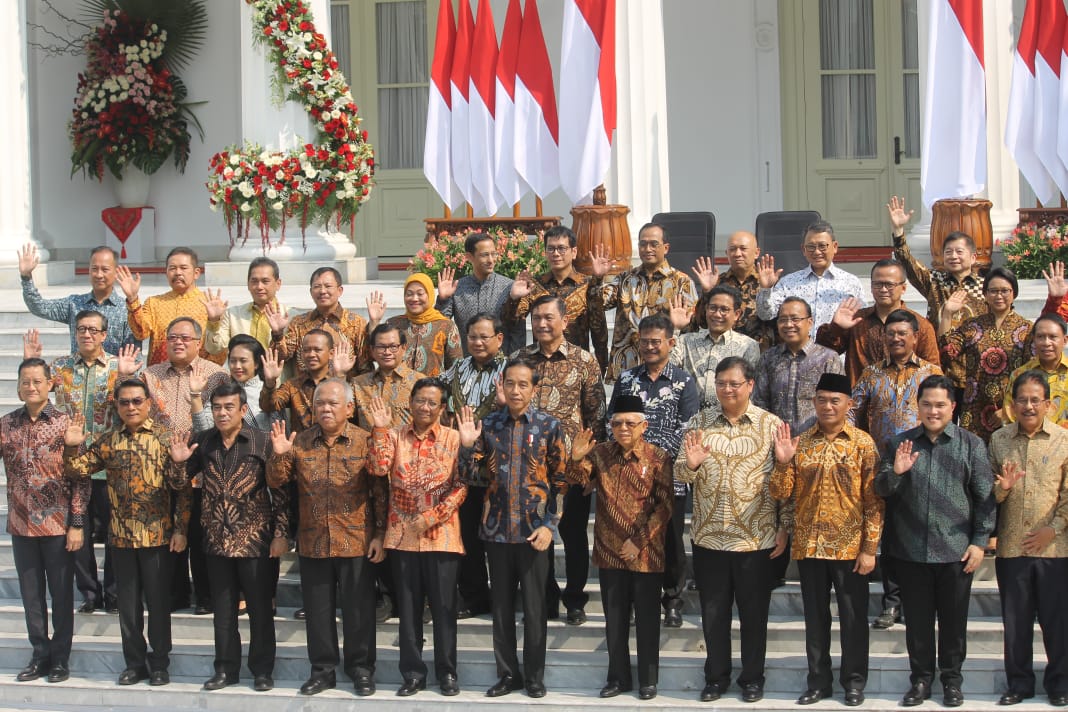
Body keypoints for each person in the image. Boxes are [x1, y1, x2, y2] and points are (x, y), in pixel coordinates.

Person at [875, 375, 996, 708]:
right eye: (927, 404)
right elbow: (880, 490)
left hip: (956, 553)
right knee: (917, 625)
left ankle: (952, 682)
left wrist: (979, 541)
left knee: (954, 624)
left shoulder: (971, 445)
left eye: (940, 404)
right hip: (910, 552)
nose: (933, 410)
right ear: (918, 406)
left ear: (952, 407)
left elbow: (985, 498)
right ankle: (920, 681)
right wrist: (896, 472)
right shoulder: (899, 444)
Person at [63, 378, 191, 687]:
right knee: (128, 607)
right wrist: (70, 446)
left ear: (148, 403)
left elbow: (182, 488)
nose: (131, 407)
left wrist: (181, 528)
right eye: (124, 402)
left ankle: (159, 662)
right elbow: (77, 469)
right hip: (120, 537)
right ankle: (134, 663)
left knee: (159, 604)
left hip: (157, 536)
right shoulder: (109, 440)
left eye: (136, 401)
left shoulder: (165, 438)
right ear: (117, 406)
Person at [675, 357, 786, 704]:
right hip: (709, 537)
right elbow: (680, 474)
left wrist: (785, 527)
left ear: (750, 385)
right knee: (713, 614)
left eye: (734, 383)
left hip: (756, 538)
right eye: (721, 383)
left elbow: (787, 484)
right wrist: (689, 465)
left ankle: (752, 678)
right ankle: (716, 677)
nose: (727, 389)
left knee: (754, 616)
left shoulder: (771, 426)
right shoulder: (699, 422)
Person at [267, 378, 387, 697]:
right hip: (313, 541)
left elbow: (379, 492)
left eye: (333, 403)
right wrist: (279, 455)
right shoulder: (301, 441)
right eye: (320, 403)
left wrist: (380, 534)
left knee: (358, 610)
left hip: (357, 540)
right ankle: (322, 670)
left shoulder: (364, 440)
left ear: (349, 408)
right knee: (318, 612)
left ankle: (361, 669)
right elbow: (277, 481)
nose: (325, 409)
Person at [770, 372, 883, 708]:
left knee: (852, 618)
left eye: (836, 400)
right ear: (814, 402)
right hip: (810, 546)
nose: (828, 406)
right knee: (815, 619)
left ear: (849, 404)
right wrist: (782, 462)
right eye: (822, 399)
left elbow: (874, 502)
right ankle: (818, 681)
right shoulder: (802, 442)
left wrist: (870, 548)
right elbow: (781, 494)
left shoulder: (862, 443)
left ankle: (854, 682)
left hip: (849, 548)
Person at [167, 381, 289, 693]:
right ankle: (225, 669)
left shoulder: (262, 442)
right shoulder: (204, 441)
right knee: (223, 613)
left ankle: (262, 670)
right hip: (216, 541)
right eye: (217, 408)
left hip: (256, 542)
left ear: (243, 410)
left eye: (228, 407)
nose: (222, 413)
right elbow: (181, 485)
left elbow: (281, 490)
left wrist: (280, 534)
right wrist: (179, 463)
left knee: (261, 611)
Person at [457, 357, 567, 699]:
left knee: (535, 610)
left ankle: (534, 676)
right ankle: (508, 675)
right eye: (511, 384)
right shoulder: (487, 426)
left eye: (524, 385)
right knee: (502, 610)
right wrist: (464, 447)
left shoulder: (549, 426)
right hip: (498, 531)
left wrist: (550, 525)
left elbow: (561, 482)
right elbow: (469, 477)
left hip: (535, 533)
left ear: (534, 389)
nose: (516, 390)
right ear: (501, 385)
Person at [27, 314, 140, 615]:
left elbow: (133, 405)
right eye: (81, 329)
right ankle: (90, 592)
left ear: (104, 335)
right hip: (70, 465)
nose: (87, 334)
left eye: (93, 330)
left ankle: (115, 593)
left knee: (116, 533)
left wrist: (127, 377)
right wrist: (30, 362)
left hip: (109, 465)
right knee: (78, 533)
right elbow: (34, 392)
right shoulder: (60, 367)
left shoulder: (119, 367)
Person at [571, 395, 673, 701]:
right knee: (614, 621)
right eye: (616, 423)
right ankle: (617, 678)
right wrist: (576, 459)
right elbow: (577, 483)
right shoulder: (600, 453)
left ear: (644, 425)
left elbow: (665, 507)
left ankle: (648, 679)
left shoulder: (658, 457)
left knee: (646, 619)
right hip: (609, 550)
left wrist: (638, 542)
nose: (623, 428)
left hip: (645, 552)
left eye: (630, 423)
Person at [367, 382, 466, 697]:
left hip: (442, 536)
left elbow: (462, 484)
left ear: (442, 407)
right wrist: (380, 430)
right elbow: (378, 467)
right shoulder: (395, 436)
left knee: (443, 608)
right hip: (403, 536)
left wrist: (433, 516)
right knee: (408, 610)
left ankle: (447, 673)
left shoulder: (453, 438)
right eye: (420, 400)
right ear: (410, 402)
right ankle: (412, 673)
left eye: (432, 402)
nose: (425, 407)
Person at [511, 295, 606, 625]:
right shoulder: (520, 359)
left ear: (565, 321)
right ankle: (545, 598)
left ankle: (575, 598)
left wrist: (590, 465)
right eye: (536, 318)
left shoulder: (584, 361)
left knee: (574, 534)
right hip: (531, 468)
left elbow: (596, 416)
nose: (541, 324)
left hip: (573, 466)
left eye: (549, 317)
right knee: (537, 536)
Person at [848, 309, 943, 631]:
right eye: (891, 333)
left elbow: (943, 413)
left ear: (916, 337)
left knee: (918, 532)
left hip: (923, 463)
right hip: (884, 466)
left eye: (903, 333)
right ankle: (892, 602)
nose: (896, 338)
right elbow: (852, 413)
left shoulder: (930, 373)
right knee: (888, 536)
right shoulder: (872, 374)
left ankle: (920, 601)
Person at [608, 313, 699, 628]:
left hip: (668, 476)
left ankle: (672, 600)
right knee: (631, 536)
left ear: (670, 343)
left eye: (655, 341)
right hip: (628, 476)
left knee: (670, 541)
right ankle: (633, 602)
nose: (649, 347)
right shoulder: (626, 380)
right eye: (644, 341)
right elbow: (614, 423)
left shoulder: (684, 381)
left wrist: (655, 462)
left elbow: (687, 427)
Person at [1, 358, 89, 684]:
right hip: (21, 524)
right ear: (18, 386)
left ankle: (60, 659)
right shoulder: (7, 424)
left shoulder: (67, 423)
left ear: (50, 383)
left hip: (57, 525)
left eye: (38, 381)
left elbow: (81, 479)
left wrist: (77, 522)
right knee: (31, 596)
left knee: (62, 594)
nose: (31, 387)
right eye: (26, 381)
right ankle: (39, 654)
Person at [990, 371, 1068, 707]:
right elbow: (986, 495)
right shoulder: (999, 440)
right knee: (1016, 622)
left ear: (1048, 404)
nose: (1029, 405)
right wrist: (1001, 489)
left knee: (1057, 622)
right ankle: (1019, 684)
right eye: (1022, 399)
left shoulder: (1063, 440)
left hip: (1054, 548)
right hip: (1012, 546)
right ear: (1012, 405)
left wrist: (1054, 528)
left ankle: (1060, 683)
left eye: (1036, 399)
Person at [143, 317, 229, 615]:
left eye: (185, 338)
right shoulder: (150, 376)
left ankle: (205, 596)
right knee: (170, 537)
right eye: (172, 337)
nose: (178, 342)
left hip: (203, 469)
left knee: (200, 536)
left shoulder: (216, 375)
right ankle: (175, 594)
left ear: (197, 341)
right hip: (163, 471)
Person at [441, 312, 507, 619]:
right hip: (464, 468)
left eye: (484, 336)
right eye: (472, 337)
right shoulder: (457, 368)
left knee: (497, 537)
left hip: (500, 467)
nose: (478, 342)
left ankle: (505, 595)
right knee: (467, 535)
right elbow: (432, 392)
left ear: (499, 339)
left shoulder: (510, 370)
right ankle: (474, 595)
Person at [589, 222, 698, 382]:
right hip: (628, 367)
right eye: (643, 244)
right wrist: (598, 278)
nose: (647, 249)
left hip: (666, 368)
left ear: (665, 248)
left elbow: (693, 327)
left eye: (654, 244)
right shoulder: (625, 279)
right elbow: (598, 305)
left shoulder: (682, 282)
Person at [940, 267, 1033, 443]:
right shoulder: (972, 326)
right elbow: (947, 353)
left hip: (1010, 410)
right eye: (993, 291)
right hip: (975, 407)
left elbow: (1030, 374)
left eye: (1004, 291)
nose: (999, 296)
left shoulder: (1026, 329)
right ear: (985, 294)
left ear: (1014, 293)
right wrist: (947, 314)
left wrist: (1009, 409)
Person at [815, 258, 940, 384]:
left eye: (889, 285)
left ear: (903, 288)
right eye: (878, 284)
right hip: (860, 399)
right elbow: (823, 353)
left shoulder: (920, 325)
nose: (883, 289)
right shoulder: (857, 320)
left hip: (905, 399)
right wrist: (836, 327)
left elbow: (932, 370)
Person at [503, 225, 609, 371]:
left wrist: (602, 363)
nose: (556, 254)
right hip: (541, 365)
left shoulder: (586, 285)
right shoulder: (535, 286)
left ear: (574, 252)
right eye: (551, 249)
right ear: (545, 253)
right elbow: (512, 322)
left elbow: (599, 328)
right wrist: (514, 298)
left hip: (576, 365)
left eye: (561, 248)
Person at [888, 196, 986, 333]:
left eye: (959, 251)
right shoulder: (934, 281)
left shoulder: (985, 286)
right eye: (948, 252)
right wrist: (898, 231)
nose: (953, 256)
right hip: (939, 349)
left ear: (973, 257)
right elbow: (908, 263)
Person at [18, 244, 137, 355]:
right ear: (89, 271)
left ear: (116, 272)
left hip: (113, 376)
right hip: (77, 374)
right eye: (94, 269)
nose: (99, 275)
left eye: (105, 269)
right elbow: (39, 307)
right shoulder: (75, 304)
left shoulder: (126, 310)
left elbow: (133, 355)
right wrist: (26, 277)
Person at [268, 266, 383, 378]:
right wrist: (278, 333)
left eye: (328, 286)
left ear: (339, 290)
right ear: (311, 291)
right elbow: (280, 357)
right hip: (305, 393)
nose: (322, 291)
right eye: (317, 286)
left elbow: (369, 360)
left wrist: (374, 324)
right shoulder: (299, 323)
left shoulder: (356, 323)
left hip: (345, 390)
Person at [753, 297, 844, 437]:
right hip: (776, 442)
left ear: (810, 322)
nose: (789, 324)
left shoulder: (828, 358)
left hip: (816, 443)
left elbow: (838, 404)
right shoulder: (769, 358)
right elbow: (759, 403)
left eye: (795, 319)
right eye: (783, 319)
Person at [755, 220, 866, 331]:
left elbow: (863, 321)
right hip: (799, 347)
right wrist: (766, 289)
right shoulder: (788, 283)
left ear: (835, 247)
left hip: (836, 347)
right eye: (811, 247)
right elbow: (766, 315)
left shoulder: (851, 283)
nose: (817, 252)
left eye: (822, 246)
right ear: (803, 249)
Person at [118, 247, 220, 366]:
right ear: (166, 272)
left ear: (196, 273)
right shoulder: (154, 303)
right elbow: (141, 333)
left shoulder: (209, 304)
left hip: (198, 376)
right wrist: (132, 299)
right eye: (172, 268)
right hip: (160, 376)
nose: (178, 272)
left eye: (183, 268)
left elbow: (218, 348)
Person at [669, 285, 760, 414]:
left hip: (727, 420)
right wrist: (675, 329)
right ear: (706, 309)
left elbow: (751, 390)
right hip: (689, 418)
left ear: (737, 314)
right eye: (713, 308)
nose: (717, 314)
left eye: (724, 310)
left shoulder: (748, 346)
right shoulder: (686, 341)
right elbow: (665, 369)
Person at [436, 232, 525, 355]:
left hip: (501, 367)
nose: (491, 260)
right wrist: (443, 300)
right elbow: (441, 327)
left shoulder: (509, 287)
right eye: (484, 255)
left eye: (493, 254)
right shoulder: (457, 288)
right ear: (469, 257)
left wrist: (513, 364)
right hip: (466, 366)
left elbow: (517, 332)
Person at [688, 231, 776, 349]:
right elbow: (702, 323)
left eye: (743, 249)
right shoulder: (717, 283)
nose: (737, 254)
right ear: (727, 253)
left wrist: (767, 290)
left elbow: (777, 322)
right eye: (732, 249)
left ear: (756, 252)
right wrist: (707, 292)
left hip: (759, 353)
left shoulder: (769, 283)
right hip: (723, 352)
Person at [202, 256, 289, 356]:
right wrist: (213, 321)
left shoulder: (289, 315)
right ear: (248, 284)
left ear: (278, 284)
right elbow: (214, 349)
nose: (259, 287)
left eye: (265, 281)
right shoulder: (233, 315)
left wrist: (278, 334)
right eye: (254, 281)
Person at [193, 335, 280, 432]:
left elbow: (280, 431)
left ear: (256, 363)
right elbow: (203, 431)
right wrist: (195, 395)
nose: (237, 366)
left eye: (243, 361)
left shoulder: (269, 391)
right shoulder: (222, 392)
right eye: (233, 361)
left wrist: (270, 384)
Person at [351, 323, 426, 431]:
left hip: (407, 446)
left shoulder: (420, 382)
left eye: (393, 347)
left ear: (404, 348)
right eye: (381, 347)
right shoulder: (358, 384)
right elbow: (343, 414)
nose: (387, 352)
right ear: (372, 350)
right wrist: (339, 374)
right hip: (371, 446)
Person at [387, 273, 461, 377]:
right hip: (397, 391)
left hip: (433, 391)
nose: (414, 298)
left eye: (420, 294)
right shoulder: (393, 324)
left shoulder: (446, 326)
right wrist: (374, 322)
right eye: (409, 294)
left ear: (429, 295)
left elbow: (456, 367)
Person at [1002, 313, 1068, 426]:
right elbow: (1009, 417)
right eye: (1040, 337)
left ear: (1065, 341)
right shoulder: (1020, 374)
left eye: (1053, 337)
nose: (1046, 343)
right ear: (1034, 340)